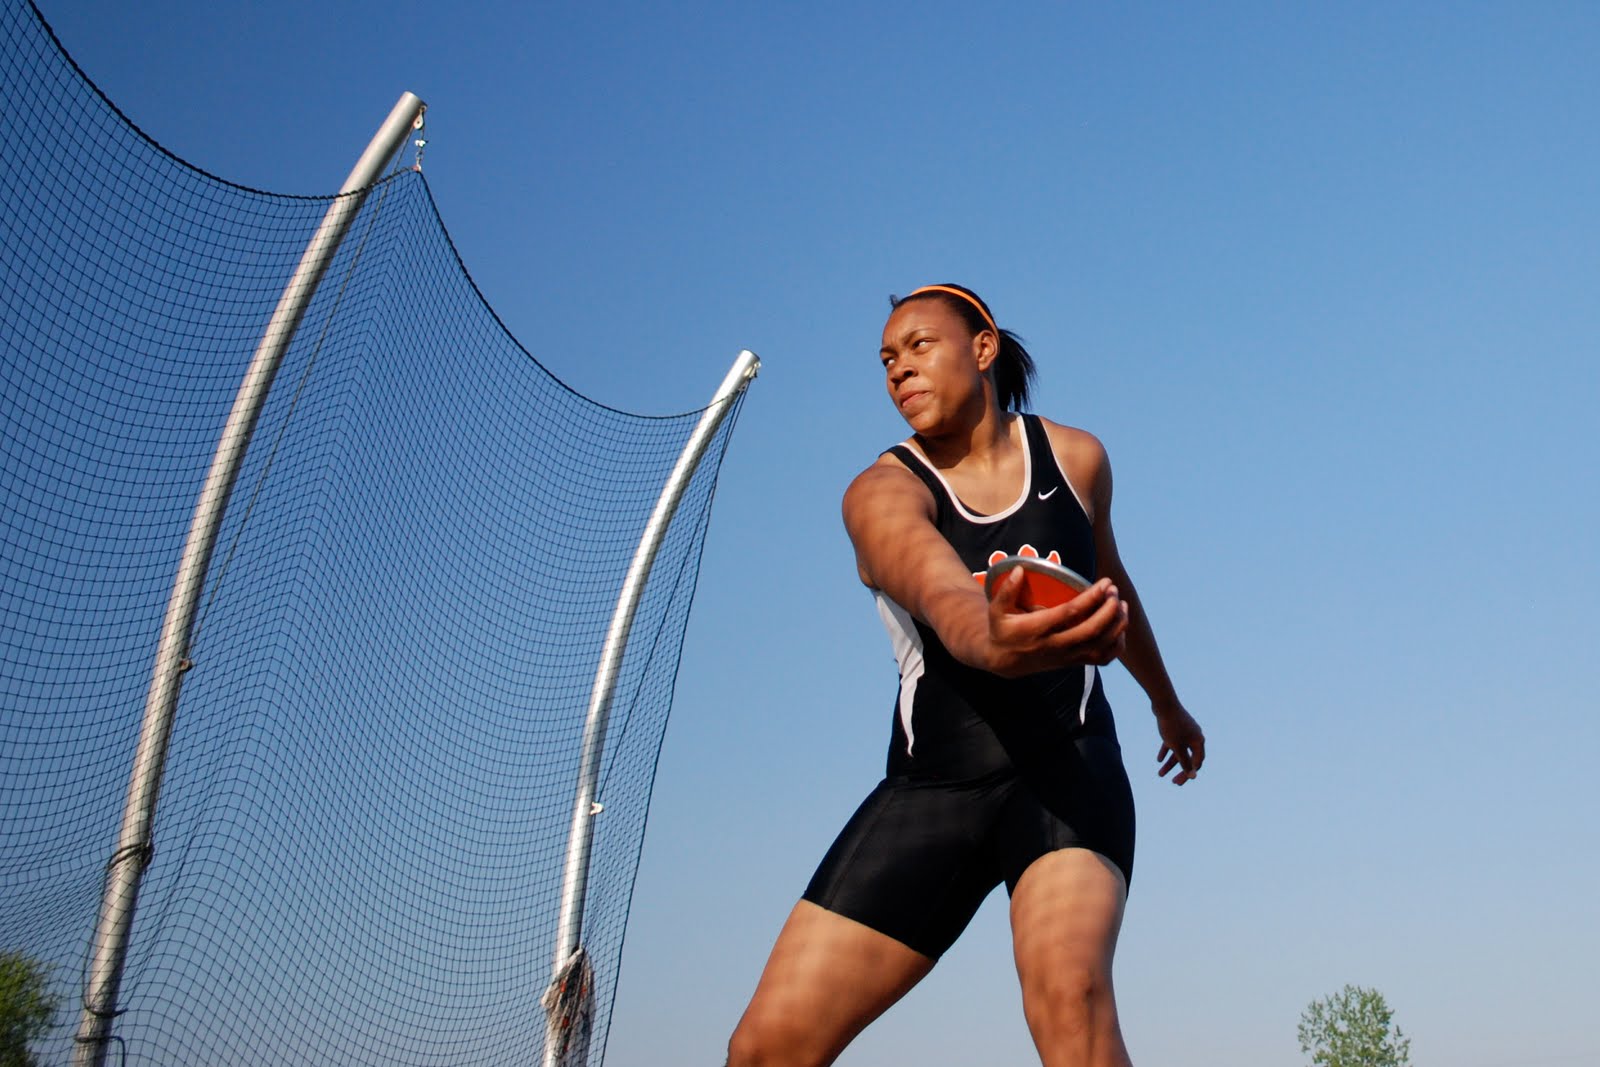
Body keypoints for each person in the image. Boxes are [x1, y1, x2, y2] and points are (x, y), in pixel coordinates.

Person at [726, 284, 1206, 1067]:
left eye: (919, 346)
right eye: (886, 359)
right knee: (765, 1049)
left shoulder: (1076, 459)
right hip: (935, 789)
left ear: (982, 348)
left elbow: (1112, 583)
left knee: (1069, 995)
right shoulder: (879, 493)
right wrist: (994, 635)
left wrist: (1166, 703)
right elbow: (947, 598)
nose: (898, 370)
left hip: (1067, 770)